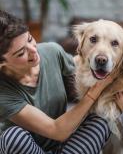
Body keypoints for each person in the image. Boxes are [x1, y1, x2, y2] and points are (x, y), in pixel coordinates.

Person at [0, 10, 115, 154]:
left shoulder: (52, 52)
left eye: (29, 39)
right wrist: (95, 92)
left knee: (102, 120)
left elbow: (82, 68)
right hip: (31, 148)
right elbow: (56, 130)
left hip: (66, 147)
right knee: (13, 137)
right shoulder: (3, 93)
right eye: (21, 53)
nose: (33, 51)